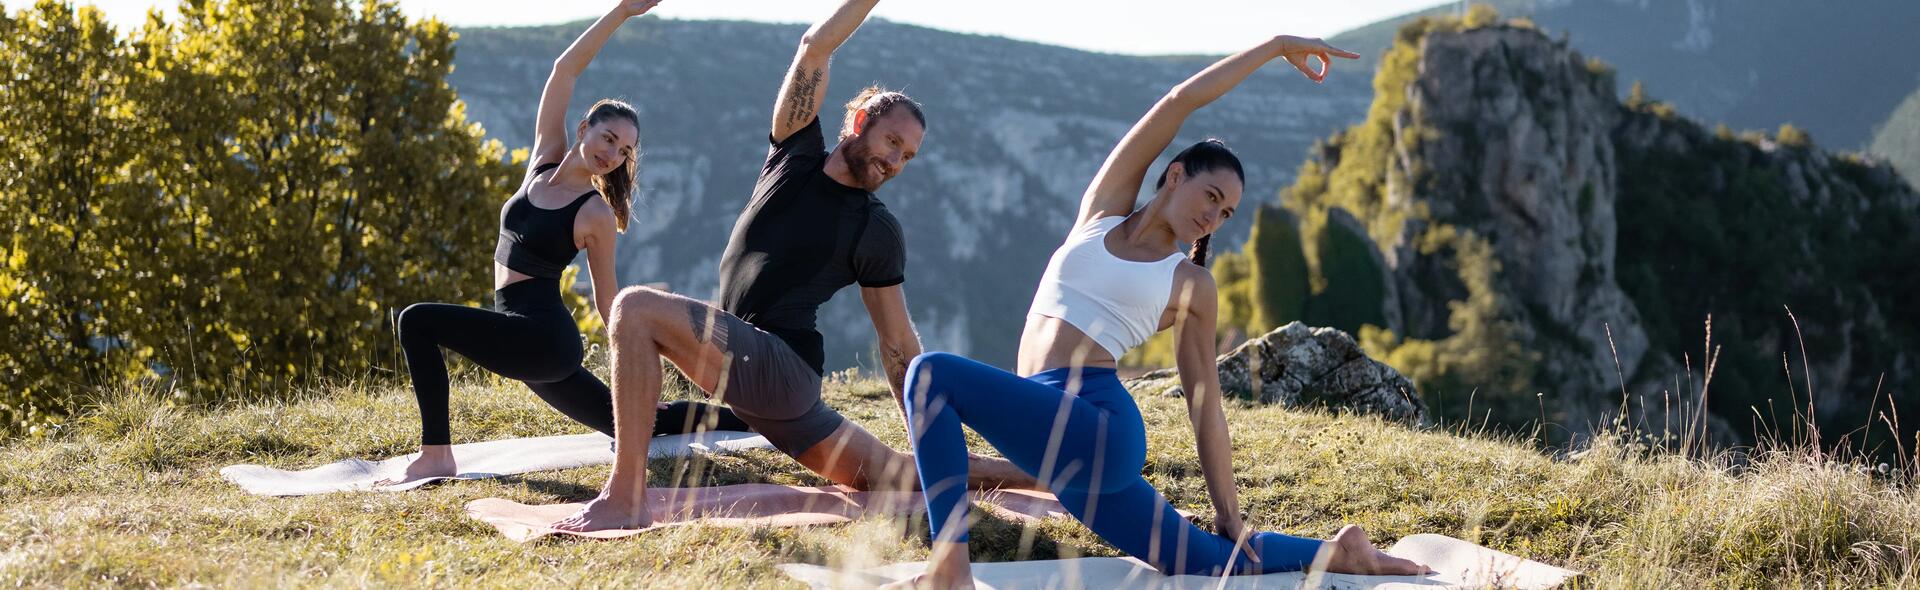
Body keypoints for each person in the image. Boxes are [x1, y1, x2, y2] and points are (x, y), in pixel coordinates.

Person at [885, 35, 1431, 587]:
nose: (1215, 217)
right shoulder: (1101, 211)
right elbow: (1177, 103)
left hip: (1096, 429)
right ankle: (1342, 553)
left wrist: (1230, 513)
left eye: (1227, 212)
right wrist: (1272, 48)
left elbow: (1205, 405)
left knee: (930, 376)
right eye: (1211, 196)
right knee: (1200, 562)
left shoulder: (1191, 284)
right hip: (1054, 426)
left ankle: (948, 569)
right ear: (1176, 174)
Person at [549, 0, 1033, 531]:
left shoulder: (876, 228)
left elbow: (898, 346)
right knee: (892, 475)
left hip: (782, 370)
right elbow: (814, 48)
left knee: (634, 308)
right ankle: (1043, 472)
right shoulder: (794, 153)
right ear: (860, 121)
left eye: (907, 157)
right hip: (761, 381)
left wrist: (928, 430)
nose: (895, 162)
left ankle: (624, 498)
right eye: (892, 142)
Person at [379, 0, 743, 487]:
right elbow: (563, 70)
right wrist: (621, 12)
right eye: (609, 138)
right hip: (526, 342)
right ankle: (751, 417)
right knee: (641, 423)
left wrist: (633, 370)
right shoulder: (544, 161)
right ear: (583, 128)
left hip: (542, 338)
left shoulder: (594, 213)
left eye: (624, 150)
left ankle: (437, 455)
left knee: (417, 321)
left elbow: (610, 301)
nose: (612, 154)